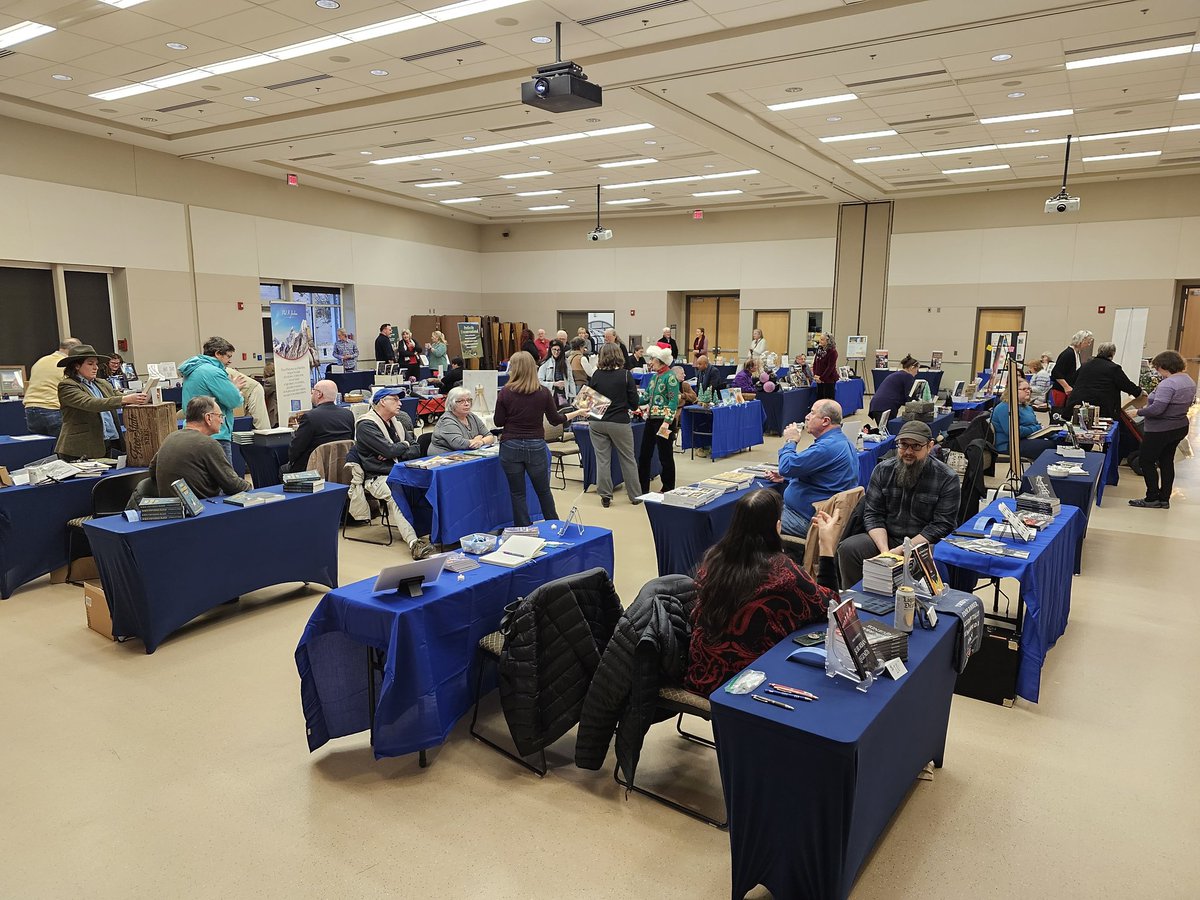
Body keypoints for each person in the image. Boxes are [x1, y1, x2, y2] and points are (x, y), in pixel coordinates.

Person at [685, 489, 842, 696]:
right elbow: (831, 606)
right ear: (778, 526)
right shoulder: (784, 572)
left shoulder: (713, 560)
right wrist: (826, 547)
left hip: (702, 674)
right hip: (750, 684)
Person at [836, 419, 960, 587]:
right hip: (886, 539)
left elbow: (941, 525)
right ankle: (856, 600)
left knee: (935, 559)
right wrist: (885, 552)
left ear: (929, 446)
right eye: (903, 445)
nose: (908, 451)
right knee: (850, 548)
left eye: (916, 446)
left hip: (923, 544)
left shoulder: (947, 478)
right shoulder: (882, 470)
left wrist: (902, 550)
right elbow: (873, 514)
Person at [493, 351, 586, 526]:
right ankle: (554, 525)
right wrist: (578, 412)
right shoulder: (542, 393)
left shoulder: (505, 392)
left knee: (517, 493)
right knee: (543, 491)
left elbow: (498, 421)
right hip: (535, 445)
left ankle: (524, 529)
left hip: (510, 445)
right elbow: (556, 420)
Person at [346, 387, 434, 559]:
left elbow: (416, 449)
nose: (400, 403)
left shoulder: (397, 423)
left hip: (401, 472)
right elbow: (389, 450)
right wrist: (397, 449)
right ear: (381, 402)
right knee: (396, 494)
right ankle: (414, 543)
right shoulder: (366, 426)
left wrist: (397, 450)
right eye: (395, 399)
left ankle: (434, 532)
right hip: (378, 478)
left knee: (431, 484)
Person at [772, 399, 859, 537]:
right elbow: (824, 477)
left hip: (805, 519)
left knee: (754, 519)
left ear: (825, 421)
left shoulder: (826, 447)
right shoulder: (842, 441)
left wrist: (790, 441)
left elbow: (786, 467)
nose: (806, 416)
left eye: (812, 413)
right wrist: (788, 477)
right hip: (822, 515)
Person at [54, 344, 148, 460]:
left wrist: (144, 397)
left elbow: (119, 396)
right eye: (90, 364)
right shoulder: (67, 385)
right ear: (76, 366)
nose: (96, 367)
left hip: (107, 442)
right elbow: (90, 403)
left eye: (96, 364)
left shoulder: (102, 383)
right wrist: (125, 399)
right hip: (79, 448)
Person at [1130, 350, 1196, 509]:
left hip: (1160, 429)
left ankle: (1152, 497)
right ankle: (1164, 498)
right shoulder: (1188, 381)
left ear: (1165, 366)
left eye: (1157, 368)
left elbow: (1157, 409)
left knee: (1146, 460)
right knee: (1167, 461)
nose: (1156, 371)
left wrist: (1138, 412)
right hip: (1179, 426)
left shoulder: (1168, 384)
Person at [148, 396, 251, 499]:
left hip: (171, 508)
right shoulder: (208, 444)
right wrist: (250, 487)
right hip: (203, 509)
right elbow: (233, 485)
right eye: (220, 416)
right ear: (208, 418)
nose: (222, 421)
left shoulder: (170, 438)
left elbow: (152, 470)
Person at [586, 343, 643, 508]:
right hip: (619, 422)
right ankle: (635, 496)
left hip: (597, 422)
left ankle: (605, 496)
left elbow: (588, 401)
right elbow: (634, 404)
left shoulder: (596, 375)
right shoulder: (625, 375)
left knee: (602, 460)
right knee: (627, 459)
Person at [181, 336, 244, 465]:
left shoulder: (193, 370)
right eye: (228, 356)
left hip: (193, 434)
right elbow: (234, 401)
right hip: (216, 435)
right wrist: (234, 389)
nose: (229, 361)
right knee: (225, 480)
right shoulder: (213, 372)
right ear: (217, 354)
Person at [285, 379, 353, 473]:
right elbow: (350, 442)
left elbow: (295, 450)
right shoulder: (348, 414)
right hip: (342, 466)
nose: (311, 394)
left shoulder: (310, 417)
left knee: (283, 469)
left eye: (313, 392)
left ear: (319, 394)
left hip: (313, 468)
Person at [637, 345, 679, 494]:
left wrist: (667, 422)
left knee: (665, 456)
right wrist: (632, 401)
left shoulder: (671, 377)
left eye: (652, 359)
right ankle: (642, 488)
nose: (650, 362)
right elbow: (646, 397)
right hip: (651, 420)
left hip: (664, 422)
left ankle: (668, 487)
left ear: (660, 360)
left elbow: (673, 402)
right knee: (644, 454)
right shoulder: (654, 377)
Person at [1064, 341, 1143, 420]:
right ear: (1112, 353)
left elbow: (1072, 381)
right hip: (1101, 409)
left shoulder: (1085, 366)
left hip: (1078, 405)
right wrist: (1139, 392)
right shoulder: (1113, 368)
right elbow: (1127, 385)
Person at [24, 337, 81, 436]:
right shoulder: (66, 364)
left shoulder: (40, 361)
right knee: (64, 448)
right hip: (53, 409)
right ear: (75, 351)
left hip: (30, 410)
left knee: (41, 447)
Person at [992, 379, 1055, 461]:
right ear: (1012, 391)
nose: (1028, 391)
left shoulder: (1027, 407)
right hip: (1008, 444)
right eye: (1024, 389)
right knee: (1049, 446)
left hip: (1025, 439)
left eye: (1029, 389)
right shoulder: (1004, 407)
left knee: (1058, 441)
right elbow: (1014, 431)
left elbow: (1035, 424)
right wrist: (1038, 428)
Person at [431, 386, 496, 454]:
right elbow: (459, 444)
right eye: (461, 401)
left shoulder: (472, 416)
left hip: (466, 455)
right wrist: (477, 439)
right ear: (452, 404)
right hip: (443, 458)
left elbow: (490, 436)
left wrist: (481, 442)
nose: (467, 404)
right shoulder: (446, 420)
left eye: (468, 400)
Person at [1050, 330, 1093, 411]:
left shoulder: (1076, 353)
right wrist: (1066, 387)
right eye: (1088, 342)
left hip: (1068, 390)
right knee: (1058, 413)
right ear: (1081, 341)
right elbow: (1056, 372)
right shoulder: (1068, 353)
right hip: (1061, 391)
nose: (1088, 345)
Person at [869, 354, 919, 423]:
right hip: (885, 406)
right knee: (888, 431)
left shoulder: (898, 374)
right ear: (912, 368)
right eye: (917, 369)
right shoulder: (907, 376)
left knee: (884, 430)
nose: (917, 372)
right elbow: (909, 396)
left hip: (878, 404)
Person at [537, 341, 574, 406]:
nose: (556, 352)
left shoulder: (566, 363)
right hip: (550, 395)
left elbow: (571, 379)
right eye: (554, 349)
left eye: (558, 350)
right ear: (550, 350)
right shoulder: (545, 364)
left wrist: (573, 395)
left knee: (563, 413)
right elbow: (539, 382)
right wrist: (554, 384)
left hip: (563, 394)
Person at [812, 332, 839, 401]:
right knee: (820, 399)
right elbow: (815, 363)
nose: (820, 341)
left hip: (829, 379)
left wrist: (822, 378)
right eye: (820, 339)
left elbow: (830, 367)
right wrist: (815, 375)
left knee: (828, 400)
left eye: (822, 339)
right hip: (819, 379)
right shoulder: (819, 349)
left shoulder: (833, 352)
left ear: (828, 341)